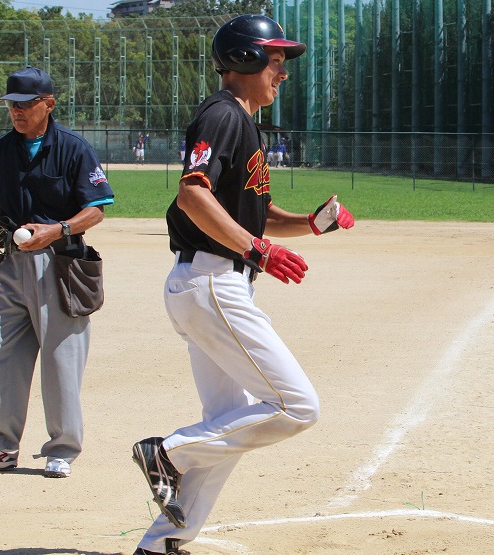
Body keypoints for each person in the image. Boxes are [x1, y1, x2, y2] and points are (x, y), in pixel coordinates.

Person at [130, 15, 354, 555]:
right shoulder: (224, 114)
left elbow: (255, 214)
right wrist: (258, 250)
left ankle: (163, 543)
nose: (283, 73)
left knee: (226, 426)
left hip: (209, 283)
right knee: (297, 406)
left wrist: (310, 223)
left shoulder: (242, 122)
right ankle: (169, 454)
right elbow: (193, 194)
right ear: (245, 59)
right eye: (275, 61)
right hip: (212, 281)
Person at [0, 66, 115, 478]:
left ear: (48, 104)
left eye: (26, 104)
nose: (17, 112)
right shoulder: (0, 151)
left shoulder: (73, 149)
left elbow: (96, 209)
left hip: (61, 265)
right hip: (11, 264)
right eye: (12, 105)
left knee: (61, 361)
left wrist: (58, 228)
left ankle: (61, 449)